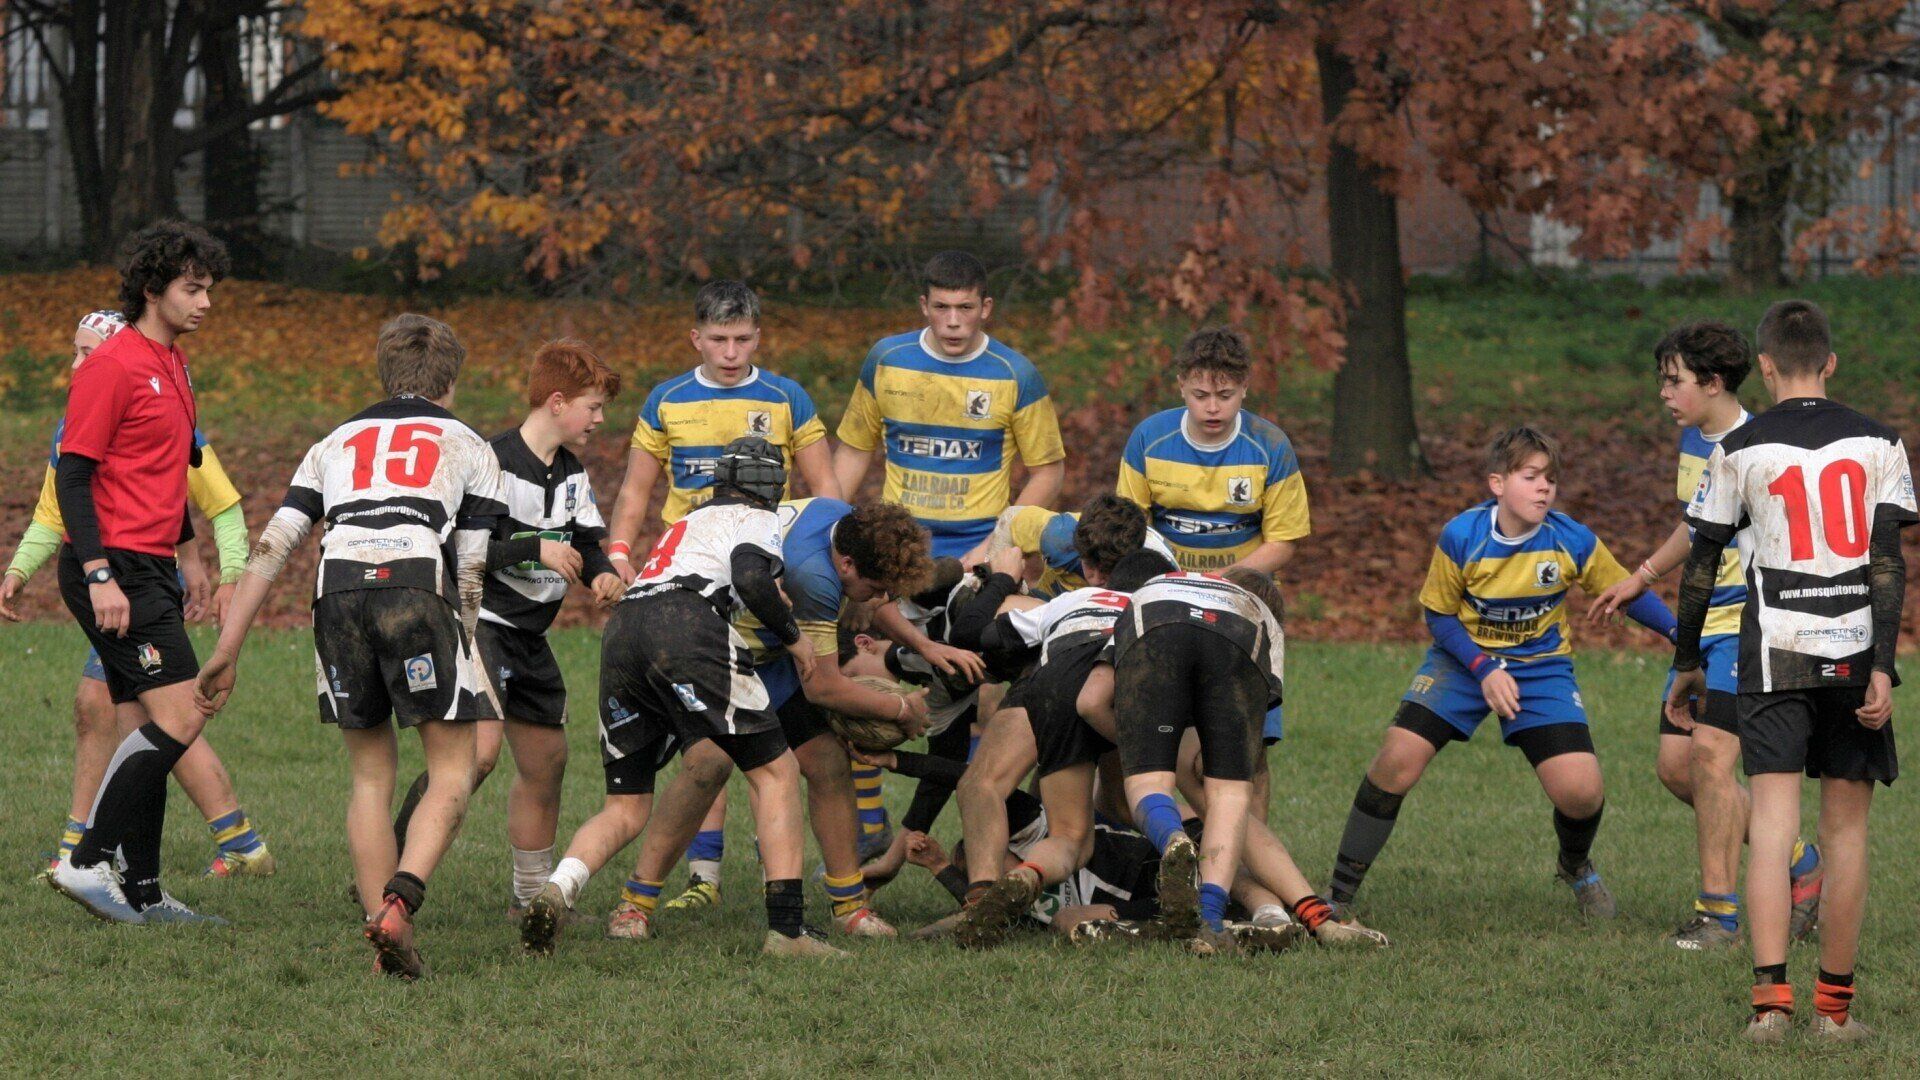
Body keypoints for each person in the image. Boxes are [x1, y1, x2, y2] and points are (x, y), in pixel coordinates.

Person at [194, 314, 507, 979]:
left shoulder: (332, 442)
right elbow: (472, 567)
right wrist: (468, 644)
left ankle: (383, 941)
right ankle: (401, 903)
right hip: (418, 587)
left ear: (382, 373)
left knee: (370, 775)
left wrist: (229, 645)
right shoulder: (471, 445)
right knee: (454, 766)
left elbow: (273, 547)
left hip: (335, 594)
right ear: (449, 379)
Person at [1667, 300, 1914, 1045]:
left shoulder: (1740, 448)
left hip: (1773, 653)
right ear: (1830, 364)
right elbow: (1888, 564)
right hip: (1851, 653)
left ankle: (1769, 1009)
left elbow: (1701, 566)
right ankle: (1834, 1015)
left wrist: (1686, 660)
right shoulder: (1880, 442)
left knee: (1772, 827)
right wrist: (1882, 667)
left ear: (1766, 367)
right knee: (1846, 834)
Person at [1327, 427, 1677, 926]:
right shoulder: (1462, 535)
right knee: (1397, 759)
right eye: (1531, 476)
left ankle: (1574, 864)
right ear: (1498, 483)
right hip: (1462, 663)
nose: (1544, 488)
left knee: (1581, 792)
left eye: (1551, 479)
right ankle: (1338, 895)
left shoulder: (1570, 539)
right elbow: (1440, 617)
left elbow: (1628, 590)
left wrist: (1678, 634)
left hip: (1541, 670)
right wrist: (1483, 668)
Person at [520, 437, 840, 958]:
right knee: (777, 771)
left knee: (625, 805)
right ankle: (788, 932)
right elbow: (751, 577)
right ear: (773, 486)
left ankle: (558, 890)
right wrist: (796, 638)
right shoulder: (760, 518)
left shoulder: (687, 523)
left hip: (624, 629)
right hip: (687, 624)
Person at [4, 308, 271, 879]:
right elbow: (56, 512)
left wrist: (218, 571)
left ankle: (95, 855)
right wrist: (20, 570)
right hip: (110, 576)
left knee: (165, 713)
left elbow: (215, 500)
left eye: (89, 350)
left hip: (132, 579)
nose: (79, 363)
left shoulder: (153, 397)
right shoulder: (78, 423)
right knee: (115, 708)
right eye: (74, 351)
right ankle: (133, 868)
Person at [603, 280, 840, 909]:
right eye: (718, 339)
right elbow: (635, 494)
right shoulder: (668, 400)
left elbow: (826, 492)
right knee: (707, 745)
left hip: (768, 581)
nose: (731, 352)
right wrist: (621, 557)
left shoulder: (787, 397)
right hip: (697, 585)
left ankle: (794, 872)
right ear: (696, 338)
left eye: (742, 339)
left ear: (758, 337)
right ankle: (703, 879)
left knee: (785, 735)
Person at [1586, 321, 1821, 950]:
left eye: (1674, 381)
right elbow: (1698, 523)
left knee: (1713, 758)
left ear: (1712, 383)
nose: (1664, 393)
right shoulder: (1695, 440)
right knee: (1674, 768)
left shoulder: (1758, 446)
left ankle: (1717, 914)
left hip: (1750, 623)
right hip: (1702, 621)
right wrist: (1642, 576)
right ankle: (1799, 859)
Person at [604, 496, 934, 942]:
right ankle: (635, 904)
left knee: (827, 762)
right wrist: (901, 710)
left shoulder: (840, 516)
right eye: (878, 589)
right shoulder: (815, 576)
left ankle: (850, 906)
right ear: (849, 565)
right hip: (717, 653)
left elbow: (861, 607)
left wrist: (927, 647)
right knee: (707, 766)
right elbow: (824, 686)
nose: (881, 601)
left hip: (771, 656)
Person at [384, 339, 624, 915]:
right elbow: (462, 548)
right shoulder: (488, 462)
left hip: (530, 636)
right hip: (479, 623)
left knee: (548, 762)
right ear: (558, 402)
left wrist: (605, 575)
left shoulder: (571, 472)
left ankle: (528, 899)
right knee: (479, 755)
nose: (599, 419)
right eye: (592, 406)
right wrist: (534, 548)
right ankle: (389, 866)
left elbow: (587, 542)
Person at [42, 221, 235, 926]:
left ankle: (145, 892)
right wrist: (99, 576)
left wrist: (189, 555)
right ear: (153, 289)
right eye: (193, 288)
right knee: (183, 714)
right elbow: (73, 476)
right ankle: (87, 860)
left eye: (209, 288)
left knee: (145, 723)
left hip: (154, 565)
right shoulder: (113, 364)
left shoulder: (174, 363)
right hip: (113, 567)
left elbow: (163, 475)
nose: (206, 301)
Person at [1116, 326, 1307, 746]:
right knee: (1170, 732)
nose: (1213, 407)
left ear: (1245, 389)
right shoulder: (1150, 439)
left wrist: (1224, 578)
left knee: (1249, 742)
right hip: (1166, 593)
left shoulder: (1270, 445)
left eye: (1225, 395)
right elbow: (1131, 530)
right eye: (1201, 395)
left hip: (1244, 595)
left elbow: (1284, 542)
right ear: (1181, 386)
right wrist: (1171, 580)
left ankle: (1242, 812)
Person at [1108, 566, 1289, 955]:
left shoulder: (1156, 582)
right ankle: (1209, 920)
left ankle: (1173, 838)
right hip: (1239, 635)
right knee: (1229, 794)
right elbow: (1252, 756)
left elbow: (1098, 695)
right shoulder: (1262, 615)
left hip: (1156, 618)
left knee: (1149, 783)